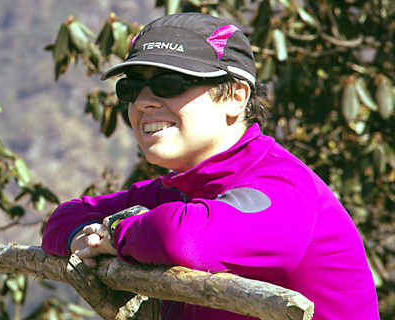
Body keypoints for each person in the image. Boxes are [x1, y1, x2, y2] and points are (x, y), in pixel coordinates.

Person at [41, 12, 379, 319]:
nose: (143, 102)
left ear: (236, 97)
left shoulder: (284, 189)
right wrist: (80, 237)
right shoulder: (179, 189)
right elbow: (64, 218)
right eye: (131, 87)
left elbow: (181, 238)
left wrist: (113, 234)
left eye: (170, 84)